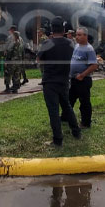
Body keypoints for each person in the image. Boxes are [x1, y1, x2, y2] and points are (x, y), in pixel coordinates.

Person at [37, 16, 80, 146]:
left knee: (53, 111)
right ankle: (76, 131)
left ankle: (58, 139)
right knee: (67, 106)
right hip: (64, 81)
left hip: (50, 82)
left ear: (52, 28)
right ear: (63, 29)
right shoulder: (70, 44)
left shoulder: (46, 43)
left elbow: (39, 60)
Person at [69, 27, 98, 128]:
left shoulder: (89, 49)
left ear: (85, 36)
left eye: (79, 35)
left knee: (84, 102)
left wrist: (82, 75)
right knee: (69, 100)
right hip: (74, 79)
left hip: (83, 80)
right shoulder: (77, 46)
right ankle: (65, 117)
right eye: (76, 34)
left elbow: (94, 65)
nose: (77, 37)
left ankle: (86, 123)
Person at [4, 27, 24, 93]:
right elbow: (23, 52)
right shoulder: (21, 42)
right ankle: (15, 89)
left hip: (12, 61)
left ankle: (7, 88)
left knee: (7, 73)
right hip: (19, 61)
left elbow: (9, 53)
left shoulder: (13, 43)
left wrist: (6, 61)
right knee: (16, 75)